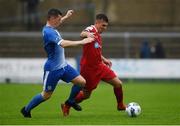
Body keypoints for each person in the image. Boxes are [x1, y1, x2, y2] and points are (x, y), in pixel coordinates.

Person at [20, 8, 94, 118]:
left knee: (81, 82)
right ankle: (26, 110)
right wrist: (82, 41)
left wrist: (66, 17)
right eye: (58, 19)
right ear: (52, 18)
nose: (60, 21)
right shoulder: (49, 32)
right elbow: (63, 43)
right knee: (46, 95)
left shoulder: (51, 28)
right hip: (53, 69)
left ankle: (70, 102)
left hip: (63, 66)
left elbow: (58, 22)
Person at [61, 14, 126, 116]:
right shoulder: (92, 29)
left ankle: (120, 105)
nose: (105, 28)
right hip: (89, 69)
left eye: (106, 26)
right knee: (86, 95)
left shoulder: (98, 36)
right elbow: (82, 33)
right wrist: (87, 35)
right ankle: (67, 105)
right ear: (97, 23)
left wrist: (104, 60)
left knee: (118, 84)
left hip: (100, 66)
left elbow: (96, 51)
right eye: (103, 25)